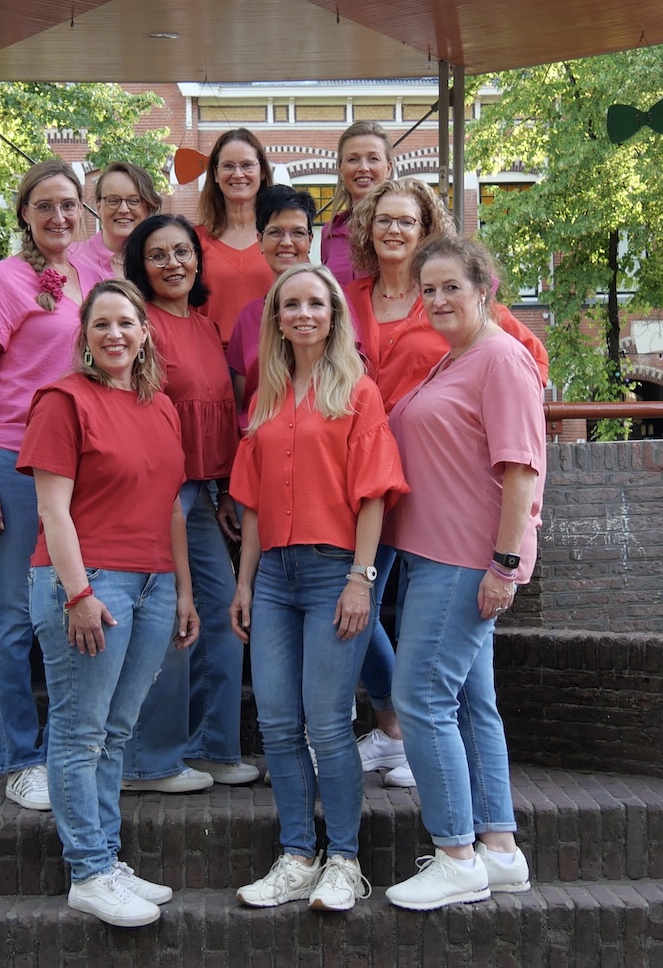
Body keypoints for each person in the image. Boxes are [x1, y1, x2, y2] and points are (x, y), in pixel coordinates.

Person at [344, 177, 550, 789]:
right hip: (380, 490)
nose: (393, 229)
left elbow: (523, 382)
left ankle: (450, 819)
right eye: (383, 219)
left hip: (447, 516)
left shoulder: (478, 332)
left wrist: (505, 562)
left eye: (406, 219)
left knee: (429, 689)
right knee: (360, 609)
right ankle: (494, 830)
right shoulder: (355, 300)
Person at [229, 263, 408, 912]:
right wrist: (244, 583)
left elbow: (374, 494)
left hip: (335, 569)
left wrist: (362, 578)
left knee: (328, 723)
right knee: (278, 723)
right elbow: (251, 503)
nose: (303, 314)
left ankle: (344, 862)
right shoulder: (267, 395)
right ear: (277, 319)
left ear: (333, 316)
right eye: (291, 304)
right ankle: (297, 855)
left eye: (316, 304)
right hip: (274, 578)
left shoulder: (358, 391)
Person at [18, 279, 197, 927]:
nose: (115, 334)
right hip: (89, 582)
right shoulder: (63, 401)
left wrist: (183, 590)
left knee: (116, 732)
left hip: (152, 585)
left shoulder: (162, 407)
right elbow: (52, 510)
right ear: (86, 337)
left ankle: (107, 858)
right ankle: (89, 872)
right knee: (80, 731)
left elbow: (171, 508)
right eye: (102, 324)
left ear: (145, 333)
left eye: (126, 322)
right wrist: (79, 593)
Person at [383, 233, 544, 910]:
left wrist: (504, 565)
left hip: (462, 562)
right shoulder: (454, 359)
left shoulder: (501, 358)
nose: (440, 298)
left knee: (420, 699)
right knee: (473, 705)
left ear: (486, 289)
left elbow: (521, 469)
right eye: (429, 289)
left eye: (453, 286)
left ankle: (455, 855)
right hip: (435, 556)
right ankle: (499, 849)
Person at [0, 159, 101, 811]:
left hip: (77, 466)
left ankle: (72, 747)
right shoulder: (2, 280)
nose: (59, 216)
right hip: (14, 462)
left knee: (74, 600)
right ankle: (21, 757)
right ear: (23, 213)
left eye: (68, 204)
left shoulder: (90, 277)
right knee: (13, 612)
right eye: (44, 205)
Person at [120, 214, 257, 791]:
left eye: (182, 251)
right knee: (169, 618)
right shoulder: (140, 325)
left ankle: (212, 747)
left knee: (223, 614)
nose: (173, 263)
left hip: (200, 491)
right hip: (159, 491)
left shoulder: (205, 324)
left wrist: (222, 487)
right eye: (158, 255)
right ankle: (149, 762)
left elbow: (216, 413)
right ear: (140, 266)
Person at [227, 184, 317, 433]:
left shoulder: (334, 306)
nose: (286, 242)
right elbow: (242, 403)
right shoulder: (248, 318)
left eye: (297, 233)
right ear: (260, 240)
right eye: (275, 232)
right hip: (263, 440)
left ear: (310, 240)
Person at [195, 129, 275, 345]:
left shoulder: (282, 239)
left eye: (247, 165)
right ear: (215, 174)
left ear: (262, 171)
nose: (238, 174)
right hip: (210, 356)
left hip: (272, 357)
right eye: (228, 166)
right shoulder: (193, 241)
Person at [320, 122, 394, 286]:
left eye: (373, 159)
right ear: (341, 170)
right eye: (353, 160)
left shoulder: (402, 229)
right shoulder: (329, 233)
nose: (363, 168)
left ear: (388, 168)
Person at [69, 161, 162, 278]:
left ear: (148, 208)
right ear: (99, 207)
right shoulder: (71, 258)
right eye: (113, 200)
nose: (123, 210)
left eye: (134, 201)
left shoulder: (161, 261)